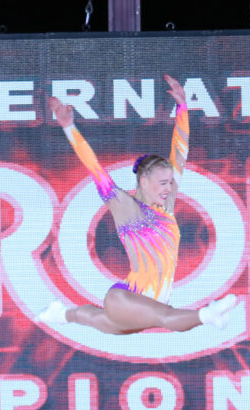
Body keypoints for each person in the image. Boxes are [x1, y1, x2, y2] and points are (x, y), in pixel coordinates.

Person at [39, 74, 237, 335]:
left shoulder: (166, 207)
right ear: (144, 181)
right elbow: (94, 167)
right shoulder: (125, 207)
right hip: (126, 299)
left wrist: (182, 108)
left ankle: (61, 314)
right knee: (167, 318)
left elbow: (180, 150)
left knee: (97, 320)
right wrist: (68, 126)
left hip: (145, 307)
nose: (169, 189)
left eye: (170, 183)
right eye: (163, 183)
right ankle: (207, 315)